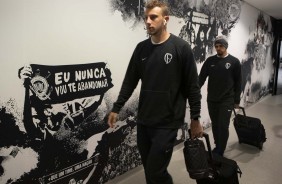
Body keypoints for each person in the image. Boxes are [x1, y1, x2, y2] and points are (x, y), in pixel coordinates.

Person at [107, 0, 203, 183]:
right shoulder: (141, 48)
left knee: (155, 173)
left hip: (167, 122)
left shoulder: (181, 48)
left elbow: (192, 86)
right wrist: (116, 107)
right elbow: (130, 81)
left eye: (153, 17)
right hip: (144, 121)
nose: (148, 22)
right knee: (151, 171)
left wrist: (195, 118)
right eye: (146, 18)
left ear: (165, 19)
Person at [199, 35, 242, 156]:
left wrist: (236, 100)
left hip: (227, 99)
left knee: (223, 125)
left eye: (221, 46)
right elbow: (201, 78)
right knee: (216, 124)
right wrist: (194, 90)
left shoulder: (234, 62)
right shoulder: (210, 61)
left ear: (226, 46)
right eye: (216, 46)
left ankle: (220, 150)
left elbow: (238, 82)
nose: (218, 48)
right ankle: (218, 145)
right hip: (212, 99)